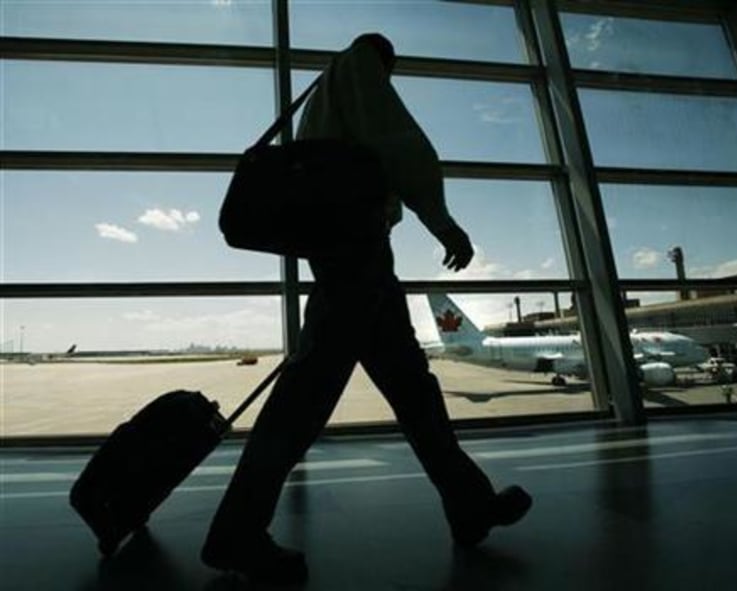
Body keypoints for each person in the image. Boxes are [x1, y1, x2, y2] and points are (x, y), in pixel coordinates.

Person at [201, 33, 532, 585]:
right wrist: (442, 221)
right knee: (307, 402)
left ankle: (469, 503)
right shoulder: (359, 69)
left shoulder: (320, 100)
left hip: (348, 256)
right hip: (358, 255)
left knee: (411, 390)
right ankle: (236, 533)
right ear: (383, 58)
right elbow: (401, 145)